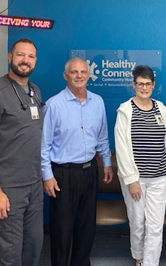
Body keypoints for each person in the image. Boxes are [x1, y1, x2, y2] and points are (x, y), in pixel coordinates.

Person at [0, 38, 44, 265]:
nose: (25, 61)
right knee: (8, 254)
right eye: (20, 55)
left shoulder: (34, 91)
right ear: (10, 58)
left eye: (31, 56)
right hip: (7, 188)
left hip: (33, 186)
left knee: (33, 247)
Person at [41, 57, 113, 266]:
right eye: (74, 72)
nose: (79, 75)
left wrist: (106, 163)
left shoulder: (97, 102)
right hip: (63, 175)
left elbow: (102, 137)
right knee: (62, 231)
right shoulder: (53, 105)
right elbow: (43, 145)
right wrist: (47, 176)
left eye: (83, 72)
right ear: (66, 76)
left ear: (88, 75)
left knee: (86, 228)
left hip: (90, 171)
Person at [115, 65, 166, 266]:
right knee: (138, 223)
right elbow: (121, 148)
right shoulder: (125, 111)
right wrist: (131, 180)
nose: (144, 88)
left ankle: (151, 263)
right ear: (134, 85)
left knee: (155, 226)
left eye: (148, 84)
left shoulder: (161, 109)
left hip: (158, 178)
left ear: (153, 85)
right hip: (135, 180)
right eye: (140, 84)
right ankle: (139, 257)